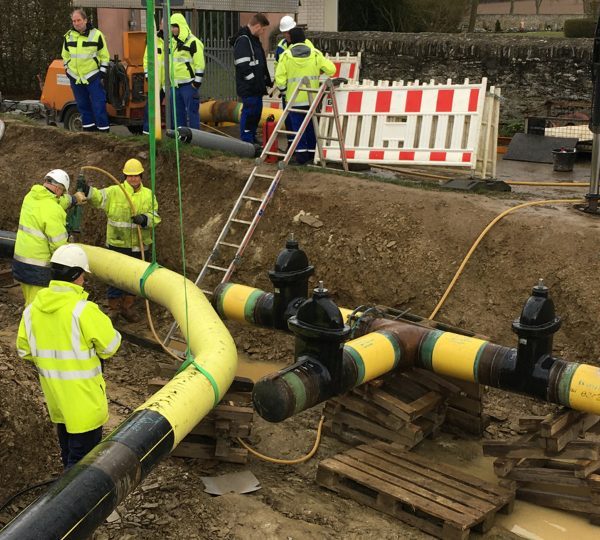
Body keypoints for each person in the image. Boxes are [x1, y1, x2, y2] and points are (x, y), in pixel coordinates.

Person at [16, 244, 122, 469]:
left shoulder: (31, 311)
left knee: (69, 455)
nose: (84, 280)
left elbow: (24, 351)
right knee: (81, 470)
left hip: (58, 403)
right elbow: (111, 346)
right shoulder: (84, 310)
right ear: (76, 275)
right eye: (83, 275)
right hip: (86, 406)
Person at [82, 158, 160, 322]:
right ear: (125, 176)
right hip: (117, 244)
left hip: (139, 246)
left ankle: (127, 308)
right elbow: (98, 197)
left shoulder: (148, 195)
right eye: (129, 176)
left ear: (141, 176)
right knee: (115, 278)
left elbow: (155, 217)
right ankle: (114, 309)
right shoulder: (115, 191)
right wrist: (87, 190)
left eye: (136, 176)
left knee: (134, 278)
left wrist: (144, 219)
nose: (133, 179)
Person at [12, 170, 73, 305]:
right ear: (58, 189)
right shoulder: (53, 210)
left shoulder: (31, 196)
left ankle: (27, 324)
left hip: (20, 262)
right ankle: (29, 326)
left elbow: (53, 202)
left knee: (29, 302)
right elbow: (59, 246)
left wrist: (72, 200)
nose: (61, 196)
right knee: (37, 309)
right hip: (37, 268)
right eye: (62, 192)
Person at [275, 27, 335, 164]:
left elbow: (279, 78)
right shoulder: (315, 54)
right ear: (304, 39)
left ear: (291, 40)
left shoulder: (286, 56)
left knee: (298, 129)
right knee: (310, 126)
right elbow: (331, 69)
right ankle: (312, 154)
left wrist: (284, 91)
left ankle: (301, 156)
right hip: (312, 98)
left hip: (294, 99)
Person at [61, 8, 110, 133]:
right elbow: (65, 55)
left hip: (92, 76)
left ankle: (104, 133)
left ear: (85, 20)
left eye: (78, 20)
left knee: (99, 105)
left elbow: (104, 56)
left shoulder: (97, 34)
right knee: (83, 106)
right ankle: (89, 133)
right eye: (74, 21)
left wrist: (102, 72)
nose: (76, 23)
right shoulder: (69, 36)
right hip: (75, 77)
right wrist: (67, 69)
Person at [273, 15, 314, 149]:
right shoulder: (281, 47)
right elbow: (277, 67)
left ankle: (305, 151)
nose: (286, 35)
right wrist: (282, 88)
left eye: (288, 32)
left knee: (306, 123)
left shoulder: (307, 44)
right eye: (284, 32)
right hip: (289, 92)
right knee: (291, 122)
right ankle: (293, 149)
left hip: (305, 91)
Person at [232, 13, 271, 144]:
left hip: (256, 86)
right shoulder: (244, 40)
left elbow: (260, 62)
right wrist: (253, 80)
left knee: (256, 113)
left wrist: (265, 80)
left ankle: (252, 136)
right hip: (249, 87)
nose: (263, 32)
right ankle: (247, 141)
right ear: (258, 26)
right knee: (249, 113)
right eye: (263, 29)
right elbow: (243, 65)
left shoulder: (253, 39)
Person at [169, 13, 205, 129]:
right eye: (171, 26)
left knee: (192, 114)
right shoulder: (172, 42)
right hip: (176, 86)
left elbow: (199, 64)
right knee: (178, 115)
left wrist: (196, 84)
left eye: (175, 26)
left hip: (189, 85)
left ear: (181, 26)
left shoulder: (193, 42)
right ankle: (180, 141)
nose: (173, 29)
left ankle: (195, 141)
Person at [143, 18, 165, 135]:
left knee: (174, 110)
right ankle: (148, 133)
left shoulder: (176, 41)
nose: (164, 25)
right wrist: (148, 75)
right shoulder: (154, 39)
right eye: (162, 23)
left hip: (170, 82)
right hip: (156, 81)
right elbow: (147, 58)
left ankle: (175, 136)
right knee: (151, 108)